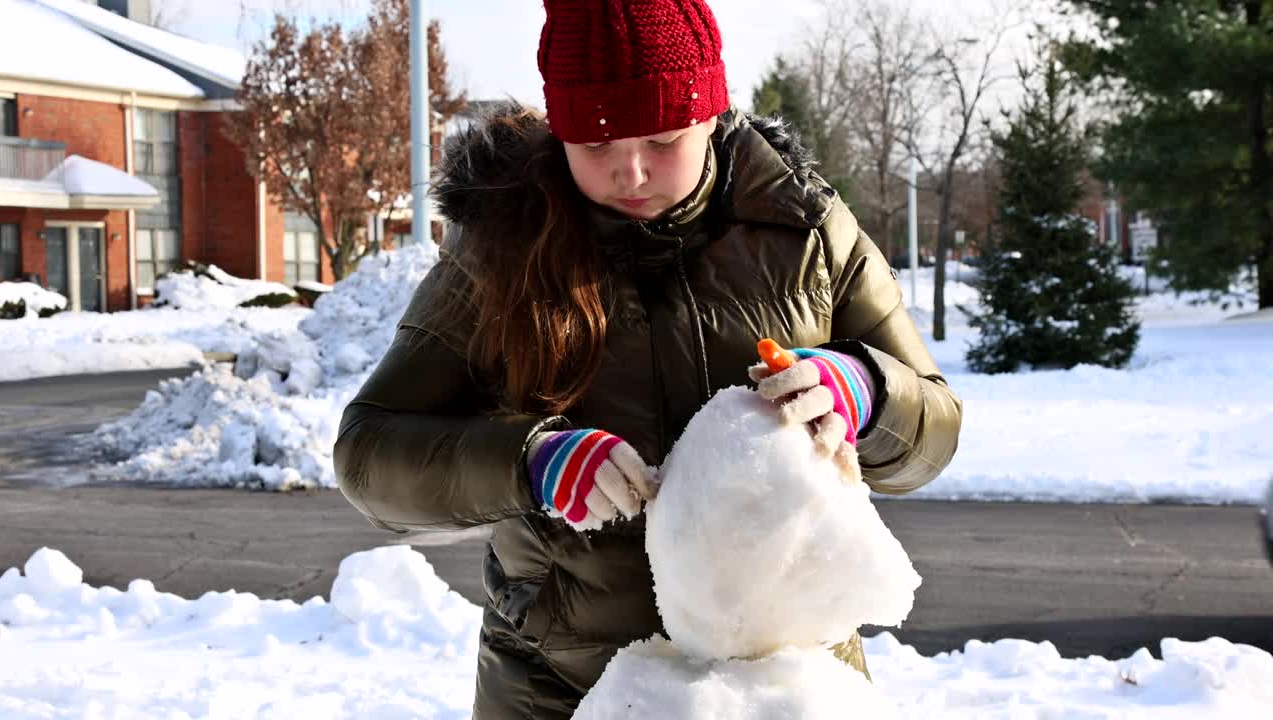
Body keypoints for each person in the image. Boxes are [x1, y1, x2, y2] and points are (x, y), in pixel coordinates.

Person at [334, 0, 962, 716]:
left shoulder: (804, 232)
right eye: (595, 145)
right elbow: (369, 454)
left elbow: (935, 427)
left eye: (663, 138)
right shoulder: (501, 249)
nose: (630, 171)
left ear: (710, 115)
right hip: (561, 687)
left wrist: (865, 391)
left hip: (786, 687)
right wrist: (531, 462)